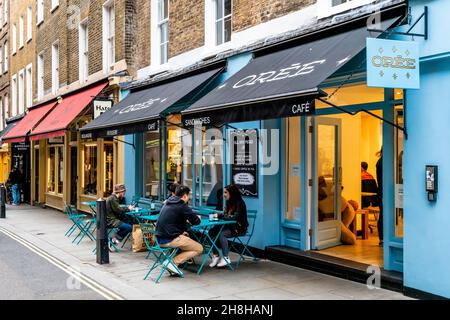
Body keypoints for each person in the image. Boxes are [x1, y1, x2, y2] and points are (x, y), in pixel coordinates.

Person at [155, 185, 202, 276]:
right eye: (188, 196)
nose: (189, 198)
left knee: (186, 237)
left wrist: (181, 231)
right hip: (170, 239)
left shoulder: (168, 202)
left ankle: (173, 264)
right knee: (199, 248)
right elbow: (196, 221)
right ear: (184, 196)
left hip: (159, 238)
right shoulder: (182, 206)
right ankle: (173, 262)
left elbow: (172, 221)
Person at [209, 184, 249, 268]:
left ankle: (226, 257)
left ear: (232, 193)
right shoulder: (229, 202)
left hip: (239, 228)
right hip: (230, 226)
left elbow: (235, 217)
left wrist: (221, 216)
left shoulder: (240, 203)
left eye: (226, 192)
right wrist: (219, 215)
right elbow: (226, 215)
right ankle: (216, 255)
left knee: (222, 234)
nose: (224, 194)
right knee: (211, 232)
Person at [106, 183, 135, 250]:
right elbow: (118, 210)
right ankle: (113, 239)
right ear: (120, 192)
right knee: (129, 227)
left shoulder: (113, 198)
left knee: (128, 221)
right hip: (111, 221)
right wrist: (128, 208)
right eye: (124, 192)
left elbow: (117, 209)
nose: (124, 193)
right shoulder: (113, 199)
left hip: (111, 219)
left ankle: (114, 238)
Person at [376, 148, 383, 246]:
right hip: (383, 192)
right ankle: (382, 238)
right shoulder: (382, 162)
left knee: (383, 214)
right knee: (384, 215)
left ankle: (382, 238)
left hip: (382, 192)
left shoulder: (380, 161)